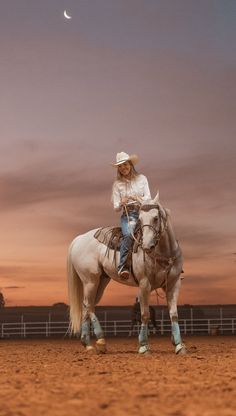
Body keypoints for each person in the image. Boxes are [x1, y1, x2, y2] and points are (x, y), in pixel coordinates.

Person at [111, 151, 152, 279]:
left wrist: (138, 197)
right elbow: (115, 207)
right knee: (128, 235)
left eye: (125, 165)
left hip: (143, 211)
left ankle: (172, 265)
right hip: (129, 215)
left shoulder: (142, 178)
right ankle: (122, 266)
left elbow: (148, 198)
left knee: (159, 228)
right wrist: (121, 203)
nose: (123, 168)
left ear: (130, 164)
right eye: (120, 166)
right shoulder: (117, 184)